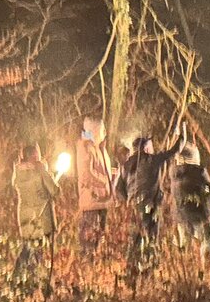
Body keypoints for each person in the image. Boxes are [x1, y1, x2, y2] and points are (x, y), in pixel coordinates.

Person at [117, 126, 187, 277]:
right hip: (150, 206)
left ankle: (132, 270)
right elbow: (175, 150)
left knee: (135, 238)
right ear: (146, 148)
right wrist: (182, 134)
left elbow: (118, 189)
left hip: (133, 207)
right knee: (151, 237)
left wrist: (128, 200)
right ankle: (150, 269)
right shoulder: (152, 160)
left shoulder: (126, 165)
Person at [12, 144, 58, 286]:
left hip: (25, 216)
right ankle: (35, 279)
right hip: (41, 215)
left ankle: (21, 276)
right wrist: (47, 173)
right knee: (38, 248)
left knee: (28, 247)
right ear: (34, 156)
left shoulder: (18, 172)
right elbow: (54, 190)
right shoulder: (39, 170)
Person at [76, 116, 120, 254]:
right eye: (102, 129)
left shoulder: (99, 147)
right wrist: (105, 181)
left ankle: (96, 258)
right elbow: (86, 174)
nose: (105, 132)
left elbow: (98, 169)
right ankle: (88, 259)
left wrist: (110, 174)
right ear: (95, 131)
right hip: (92, 199)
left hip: (102, 199)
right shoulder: (86, 148)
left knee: (100, 234)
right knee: (90, 234)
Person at [169, 141, 210, 263]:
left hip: (180, 215)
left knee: (185, 245)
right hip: (200, 213)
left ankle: (186, 267)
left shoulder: (173, 174)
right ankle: (207, 265)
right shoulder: (199, 172)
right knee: (208, 238)